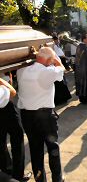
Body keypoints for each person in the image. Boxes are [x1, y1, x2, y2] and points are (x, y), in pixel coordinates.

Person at [17, 47, 65, 182]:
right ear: (49, 60)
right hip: (45, 117)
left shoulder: (21, 71)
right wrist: (56, 60)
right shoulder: (47, 71)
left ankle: (40, 180)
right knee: (53, 148)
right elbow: (61, 70)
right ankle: (57, 179)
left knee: (35, 150)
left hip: (27, 116)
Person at [0, 77, 31, 182]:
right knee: (17, 139)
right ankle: (16, 175)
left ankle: (9, 173)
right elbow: (12, 92)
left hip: (7, 107)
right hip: (5, 107)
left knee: (2, 144)